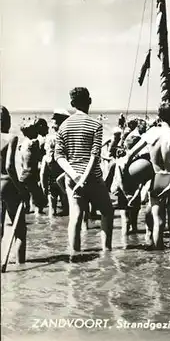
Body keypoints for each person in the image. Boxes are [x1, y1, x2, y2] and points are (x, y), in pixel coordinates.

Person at [55, 87, 114, 260]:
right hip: (93, 178)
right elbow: (94, 156)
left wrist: (75, 176)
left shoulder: (64, 125)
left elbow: (58, 156)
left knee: (76, 216)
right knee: (107, 212)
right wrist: (84, 178)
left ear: (72, 104)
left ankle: (75, 255)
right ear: (89, 101)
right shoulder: (95, 124)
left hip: (72, 178)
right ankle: (106, 253)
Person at [120, 102, 170, 250]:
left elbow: (130, 153)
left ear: (159, 117)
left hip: (157, 179)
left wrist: (125, 172)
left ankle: (158, 259)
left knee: (158, 222)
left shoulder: (151, 134)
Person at [1, 106, 27, 265]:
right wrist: (20, 188)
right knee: (20, 230)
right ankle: (19, 267)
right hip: (5, 183)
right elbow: (10, 166)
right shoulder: (11, 137)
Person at [20, 118, 46, 215]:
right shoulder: (34, 142)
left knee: (26, 200)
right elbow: (39, 157)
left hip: (23, 175)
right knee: (40, 200)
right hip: (31, 174)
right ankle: (39, 219)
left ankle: (26, 218)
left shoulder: (23, 143)